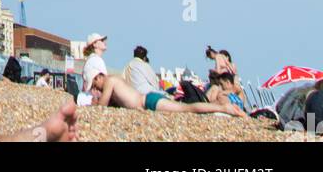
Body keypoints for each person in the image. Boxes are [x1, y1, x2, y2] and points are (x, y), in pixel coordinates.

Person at [91, 71, 245, 118]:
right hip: (149, 101)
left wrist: (94, 101)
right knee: (186, 108)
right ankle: (222, 109)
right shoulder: (116, 79)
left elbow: (102, 106)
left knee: (188, 108)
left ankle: (225, 109)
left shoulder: (110, 81)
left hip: (149, 102)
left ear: (98, 77)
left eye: (94, 84)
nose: (97, 89)